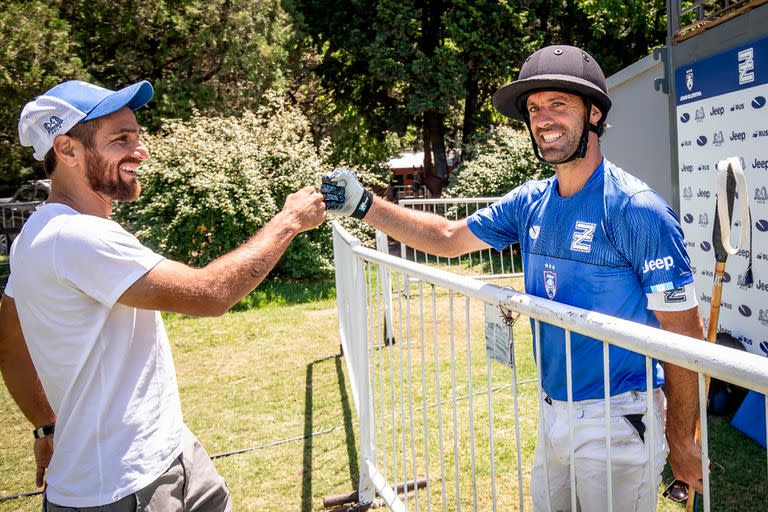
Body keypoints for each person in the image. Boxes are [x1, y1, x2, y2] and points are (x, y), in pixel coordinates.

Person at [321, 45, 705, 510]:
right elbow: (446, 236)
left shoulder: (637, 210)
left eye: (559, 105)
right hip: (551, 412)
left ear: (596, 114)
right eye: (535, 109)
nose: (543, 119)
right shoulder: (530, 202)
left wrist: (682, 441)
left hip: (620, 419)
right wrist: (365, 205)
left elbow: (684, 335)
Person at [0, 80, 326, 511]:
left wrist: (46, 427)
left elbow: (10, 340)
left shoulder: (36, 234)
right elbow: (212, 294)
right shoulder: (77, 237)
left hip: (170, 452)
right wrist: (289, 221)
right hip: (123, 489)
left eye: (136, 136)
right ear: (67, 150)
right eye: (121, 139)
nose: (140, 151)